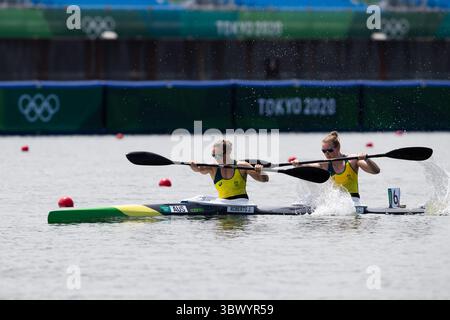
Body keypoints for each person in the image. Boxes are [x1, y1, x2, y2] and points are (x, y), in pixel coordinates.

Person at [291, 131, 380, 201]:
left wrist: (366, 159)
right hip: (335, 203)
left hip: (353, 201)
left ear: (338, 148)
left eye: (329, 150)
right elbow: (308, 167)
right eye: (324, 151)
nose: (327, 154)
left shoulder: (352, 160)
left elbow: (376, 171)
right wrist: (298, 164)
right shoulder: (325, 164)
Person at [190, 140, 269, 200]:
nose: (216, 158)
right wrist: (193, 165)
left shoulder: (242, 166)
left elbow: (264, 179)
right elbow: (198, 169)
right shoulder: (213, 168)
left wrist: (261, 171)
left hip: (241, 202)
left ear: (228, 152)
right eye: (214, 155)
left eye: (219, 155)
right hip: (223, 203)